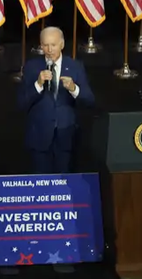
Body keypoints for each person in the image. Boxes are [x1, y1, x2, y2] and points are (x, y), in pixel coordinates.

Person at [17, 26, 95, 174]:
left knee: (64, 185)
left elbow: (90, 100)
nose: (49, 49)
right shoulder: (31, 67)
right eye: (45, 45)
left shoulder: (75, 67)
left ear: (62, 44)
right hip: (39, 138)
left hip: (66, 138)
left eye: (53, 45)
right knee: (41, 186)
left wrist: (73, 88)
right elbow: (21, 103)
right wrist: (38, 84)